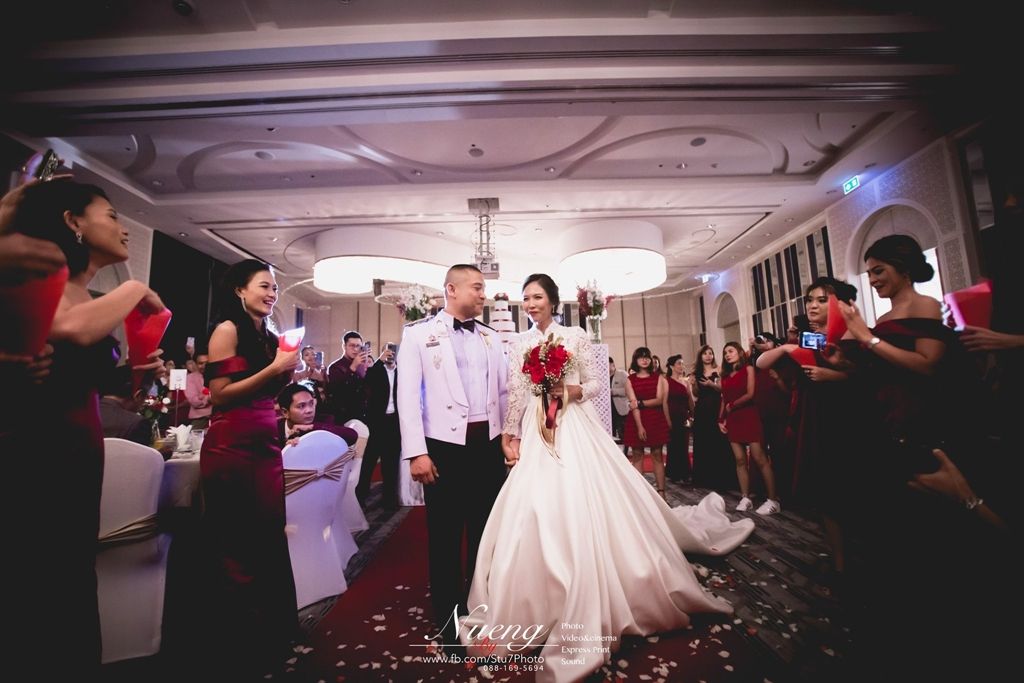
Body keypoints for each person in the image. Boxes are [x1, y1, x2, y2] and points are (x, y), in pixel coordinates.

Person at [459, 274, 754, 683]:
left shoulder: (575, 335)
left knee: (585, 495)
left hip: (573, 424)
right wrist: (510, 435)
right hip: (538, 426)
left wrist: (571, 392)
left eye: (537, 297)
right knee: (534, 501)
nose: (530, 304)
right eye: (525, 298)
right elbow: (518, 392)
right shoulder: (521, 344)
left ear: (553, 300)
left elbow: (595, 383)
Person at [1, 177, 164, 674]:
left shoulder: (87, 292)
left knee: (74, 574)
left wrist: (135, 380)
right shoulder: (43, 278)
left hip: (80, 445)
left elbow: (94, 386)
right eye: (112, 216)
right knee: (42, 582)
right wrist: (135, 288)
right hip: (37, 447)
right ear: (72, 221)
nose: (125, 229)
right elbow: (68, 328)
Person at [397, 264, 508, 646]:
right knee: (445, 537)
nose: (483, 294)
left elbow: (504, 393)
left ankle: (481, 610)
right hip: (443, 448)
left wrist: (509, 438)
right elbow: (407, 397)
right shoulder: (418, 335)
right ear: (451, 289)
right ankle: (449, 623)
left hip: (487, 447)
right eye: (477, 287)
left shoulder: (491, 337)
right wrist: (417, 452)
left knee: (485, 534)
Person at [200, 259, 301, 677]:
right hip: (232, 445)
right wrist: (275, 368)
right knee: (238, 539)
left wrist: (288, 372)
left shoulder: (270, 337)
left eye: (274, 288)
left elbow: (269, 389)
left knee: (268, 536)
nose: (272, 294)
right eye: (264, 286)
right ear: (240, 290)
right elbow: (220, 395)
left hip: (264, 444)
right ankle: (240, 642)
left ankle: (273, 633)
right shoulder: (227, 330)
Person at [719, 342, 780, 514]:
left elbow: (750, 393)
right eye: (725, 353)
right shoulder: (725, 376)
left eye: (731, 351)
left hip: (749, 415)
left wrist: (732, 405)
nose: (727, 355)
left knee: (759, 458)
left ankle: (773, 500)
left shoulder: (749, 369)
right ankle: (745, 497)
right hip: (733, 419)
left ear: (739, 352)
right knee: (739, 460)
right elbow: (723, 399)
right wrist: (720, 419)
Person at [357, 342, 401, 509]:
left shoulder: (401, 371)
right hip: (376, 422)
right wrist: (379, 361)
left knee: (391, 463)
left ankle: (389, 499)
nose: (391, 354)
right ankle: (361, 496)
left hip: (394, 422)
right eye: (387, 352)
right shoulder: (376, 371)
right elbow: (367, 381)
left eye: (393, 351)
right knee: (369, 461)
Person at [622, 346, 670, 498]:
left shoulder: (658, 378)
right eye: (641, 357)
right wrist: (640, 426)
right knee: (637, 455)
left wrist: (640, 403)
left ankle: (661, 493)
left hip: (655, 419)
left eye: (647, 357)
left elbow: (659, 400)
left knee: (657, 455)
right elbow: (633, 404)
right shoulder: (630, 380)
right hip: (636, 420)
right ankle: (640, 495)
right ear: (635, 360)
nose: (644, 360)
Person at [690, 345, 733, 490]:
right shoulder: (696, 373)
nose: (708, 356)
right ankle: (705, 478)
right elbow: (696, 394)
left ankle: (722, 479)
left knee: (719, 441)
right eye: (705, 353)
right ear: (700, 356)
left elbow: (723, 389)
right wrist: (693, 385)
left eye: (710, 353)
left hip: (716, 407)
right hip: (702, 409)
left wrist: (711, 384)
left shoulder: (719, 369)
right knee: (703, 441)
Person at [276, 382, 358, 448]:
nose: (309, 410)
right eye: (301, 406)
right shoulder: (274, 429)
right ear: (285, 412)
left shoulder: (324, 420)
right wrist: (287, 451)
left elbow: (352, 436)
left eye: (311, 403)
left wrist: (312, 427)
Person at [326, 331, 370, 424]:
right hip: (344, 416)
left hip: (363, 414)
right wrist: (353, 367)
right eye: (352, 346)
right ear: (344, 346)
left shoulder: (362, 365)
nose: (355, 349)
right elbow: (338, 391)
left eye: (358, 346)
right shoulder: (335, 367)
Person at [664, 354, 694, 482]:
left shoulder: (685, 382)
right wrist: (667, 420)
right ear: (671, 366)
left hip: (683, 416)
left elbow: (690, 399)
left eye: (682, 363)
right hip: (671, 415)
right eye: (679, 363)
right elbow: (664, 402)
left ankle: (685, 472)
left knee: (684, 445)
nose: (682, 366)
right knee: (673, 445)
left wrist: (692, 415)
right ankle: (674, 472)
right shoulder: (666, 381)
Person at [184, 355, 212, 429]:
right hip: (200, 418)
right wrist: (209, 399)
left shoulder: (218, 375)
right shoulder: (190, 378)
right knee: (193, 435)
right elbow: (194, 401)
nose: (204, 366)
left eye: (207, 363)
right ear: (196, 364)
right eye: (201, 363)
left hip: (219, 415)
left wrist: (204, 397)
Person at [608, 356, 629, 444]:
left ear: (612, 364)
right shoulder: (602, 377)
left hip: (621, 409)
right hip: (608, 410)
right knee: (610, 436)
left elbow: (629, 390)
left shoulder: (622, 374)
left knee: (623, 436)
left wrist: (613, 391)